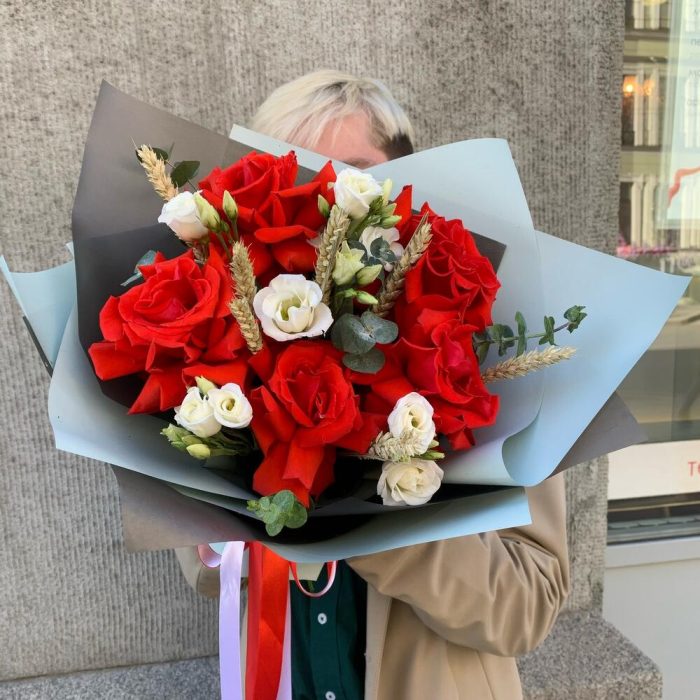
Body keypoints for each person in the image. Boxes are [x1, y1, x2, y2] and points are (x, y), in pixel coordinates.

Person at [175, 70, 569, 700]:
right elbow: (206, 572)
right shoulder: (229, 353)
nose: (329, 206)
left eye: (354, 179)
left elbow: (529, 605)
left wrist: (368, 524)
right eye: (301, 182)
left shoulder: (482, 352)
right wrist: (233, 497)